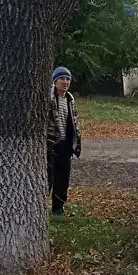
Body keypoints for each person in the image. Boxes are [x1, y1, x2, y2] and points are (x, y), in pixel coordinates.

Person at [47, 66, 81, 215]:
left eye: (67, 79)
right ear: (55, 81)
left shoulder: (70, 99)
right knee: (47, 179)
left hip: (65, 145)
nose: (65, 82)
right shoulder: (48, 97)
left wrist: (75, 143)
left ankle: (58, 209)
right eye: (62, 79)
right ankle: (40, 209)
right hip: (50, 145)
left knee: (62, 181)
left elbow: (74, 122)